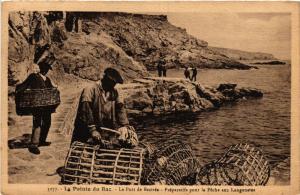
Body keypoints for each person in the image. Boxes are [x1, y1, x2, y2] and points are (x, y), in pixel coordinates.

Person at [71, 68, 138, 148]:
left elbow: (120, 108)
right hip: (89, 128)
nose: (113, 86)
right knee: (90, 146)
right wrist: (93, 130)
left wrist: (125, 125)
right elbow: (86, 110)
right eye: (111, 83)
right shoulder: (90, 89)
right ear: (105, 79)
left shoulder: (114, 92)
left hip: (105, 127)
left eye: (114, 84)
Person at [16, 46, 57, 155]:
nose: (47, 70)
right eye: (46, 68)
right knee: (37, 122)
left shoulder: (47, 79)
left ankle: (42, 140)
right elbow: (23, 86)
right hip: (37, 104)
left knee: (47, 122)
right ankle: (34, 144)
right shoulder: (33, 76)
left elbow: (50, 90)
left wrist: (54, 89)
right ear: (41, 67)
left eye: (48, 68)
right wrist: (18, 91)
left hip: (47, 104)